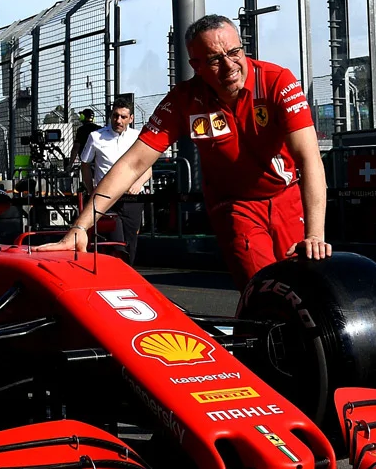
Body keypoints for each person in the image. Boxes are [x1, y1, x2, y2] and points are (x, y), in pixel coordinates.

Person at [46, 15, 330, 282]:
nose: (230, 65)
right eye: (215, 59)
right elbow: (132, 164)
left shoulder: (277, 80)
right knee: (263, 283)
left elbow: (309, 159)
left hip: (286, 197)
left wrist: (315, 235)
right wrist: (80, 227)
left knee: (302, 282)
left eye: (234, 52)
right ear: (196, 65)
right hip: (234, 205)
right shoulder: (184, 100)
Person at [78, 99, 152, 264]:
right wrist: (91, 191)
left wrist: (138, 184)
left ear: (131, 118)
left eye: (123, 117)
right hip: (106, 199)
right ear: (110, 116)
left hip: (132, 199)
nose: (118, 120)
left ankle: (128, 273)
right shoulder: (96, 137)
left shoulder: (137, 137)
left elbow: (148, 168)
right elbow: (85, 164)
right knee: (115, 242)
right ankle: (114, 271)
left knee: (131, 241)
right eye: (115, 116)